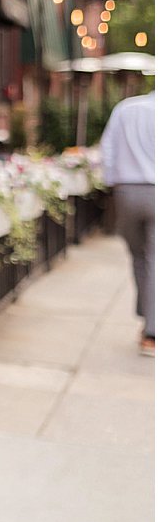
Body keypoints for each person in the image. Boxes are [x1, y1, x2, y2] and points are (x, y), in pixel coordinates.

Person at [100, 89, 154, 356]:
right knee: (152, 259)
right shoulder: (127, 108)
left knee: (140, 257)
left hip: (128, 192)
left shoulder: (126, 108)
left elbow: (107, 148)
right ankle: (151, 331)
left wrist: (112, 183)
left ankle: (149, 322)